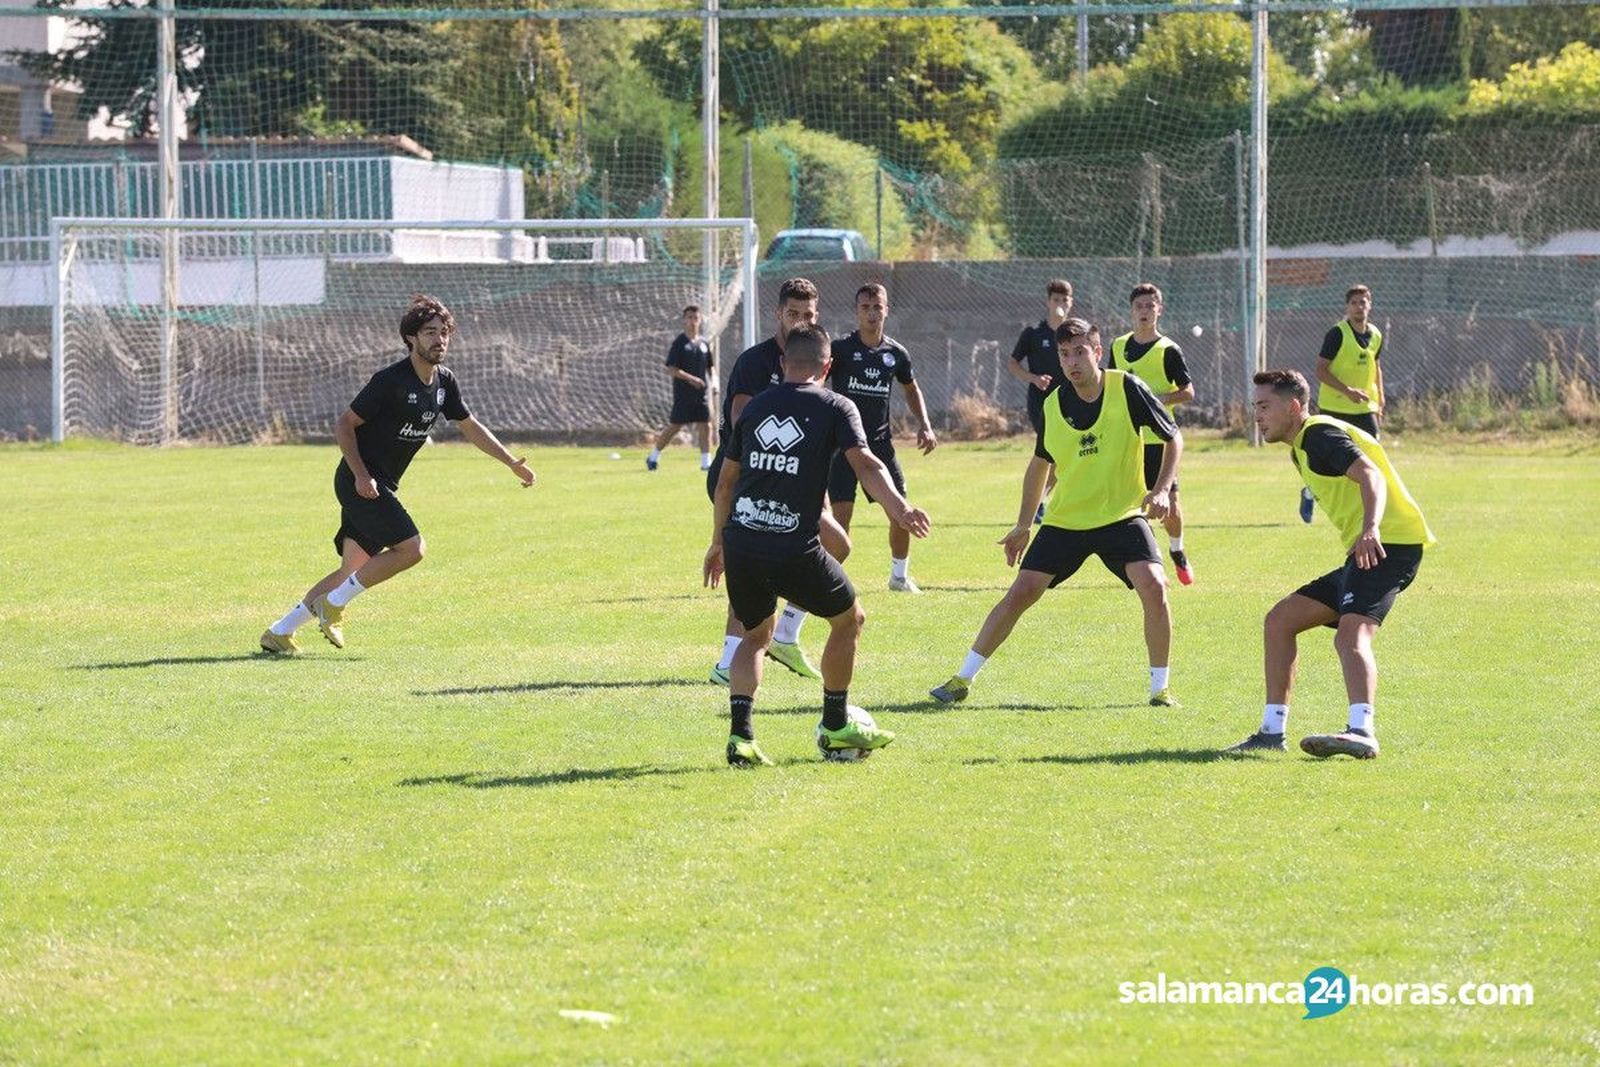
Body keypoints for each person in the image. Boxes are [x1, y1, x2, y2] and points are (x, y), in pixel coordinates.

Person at [705, 323, 930, 766]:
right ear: (828, 366)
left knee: (753, 637)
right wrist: (899, 509)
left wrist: (717, 544)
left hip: (743, 541)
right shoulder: (836, 405)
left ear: (785, 363)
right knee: (849, 620)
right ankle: (833, 723)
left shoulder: (755, 408)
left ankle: (741, 738)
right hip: (792, 545)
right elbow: (866, 464)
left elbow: (726, 482)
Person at [259, 294, 534, 654]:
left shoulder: (444, 382)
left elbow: (470, 425)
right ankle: (334, 604)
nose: (439, 340)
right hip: (359, 481)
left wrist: (510, 461)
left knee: (351, 570)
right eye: (430, 332)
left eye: (444, 333)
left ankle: (279, 632)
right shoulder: (390, 381)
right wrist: (360, 475)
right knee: (412, 549)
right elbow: (345, 424)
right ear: (411, 338)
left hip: (380, 483)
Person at [930, 318, 1183, 709]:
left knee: (1154, 585)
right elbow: (1040, 465)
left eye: (1081, 351)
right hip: (1067, 520)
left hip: (1121, 515)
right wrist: (1022, 525)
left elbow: (1173, 437)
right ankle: (961, 679)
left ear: (1098, 353)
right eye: (1065, 354)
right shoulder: (1052, 404)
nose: (1072, 361)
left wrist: (1162, 489)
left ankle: (1160, 689)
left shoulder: (1127, 388)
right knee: (1021, 593)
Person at [1228, 369, 1433, 759]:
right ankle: (1272, 732)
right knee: (1280, 621)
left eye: (1264, 406)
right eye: (1255, 406)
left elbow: (1370, 475)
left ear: (1292, 406)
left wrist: (1371, 528)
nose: (1257, 415)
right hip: (1368, 548)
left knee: (1351, 634)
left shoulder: (1318, 434)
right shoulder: (1302, 445)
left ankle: (1362, 729)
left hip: (1388, 543)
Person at [703, 277, 845, 684]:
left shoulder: (814, 358)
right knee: (751, 561)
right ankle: (730, 662)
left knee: (834, 543)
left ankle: (783, 634)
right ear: (778, 314)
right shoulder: (755, 362)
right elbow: (741, 426)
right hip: (745, 478)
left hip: (791, 479)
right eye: (794, 314)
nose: (801, 320)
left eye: (809, 314)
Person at [827, 283, 937, 593]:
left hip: (880, 446)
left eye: (878, 307)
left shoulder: (895, 353)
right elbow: (819, 382)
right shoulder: (841, 350)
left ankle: (899, 577)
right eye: (866, 307)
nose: (872, 313)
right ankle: (830, 580)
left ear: (886, 310)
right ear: (856, 311)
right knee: (840, 517)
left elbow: (911, 388)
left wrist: (925, 424)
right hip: (842, 448)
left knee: (900, 509)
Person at [1107, 283, 1198, 585]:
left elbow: (1188, 392)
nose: (1144, 311)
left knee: (1169, 507)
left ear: (1159, 309)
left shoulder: (1168, 350)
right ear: (1131, 311)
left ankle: (1178, 550)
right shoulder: (1118, 347)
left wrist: (1156, 400)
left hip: (1160, 440)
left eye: (1150, 305)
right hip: (1127, 439)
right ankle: (1145, 562)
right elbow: (1109, 386)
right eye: (1139, 306)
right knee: (1130, 505)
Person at [1301, 284, 1385, 523]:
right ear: (1347, 307)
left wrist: (1380, 397)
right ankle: (1309, 492)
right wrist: (1347, 391)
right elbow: (1320, 370)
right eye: (1354, 303)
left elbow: (1376, 366)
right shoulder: (1336, 334)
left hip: (1364, 406)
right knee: (1328, 460)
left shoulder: (1376, 334)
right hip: (1335, 407)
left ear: (1370, 305)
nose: (1359, 307)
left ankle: (1370, 509)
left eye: (1363, 302)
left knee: (1373, 456)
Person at [1005, 279, 1074, 523]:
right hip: (1042, 402)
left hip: (1071, 400)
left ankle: (1041, 499)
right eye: (1056, 299)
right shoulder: (1034, 333)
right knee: (1051, 452)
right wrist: (1033, 378)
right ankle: (1039, 501)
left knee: (1065, 453)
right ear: (1048, 302)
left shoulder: (1075, 334)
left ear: (1071, 302)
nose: (1060, 304)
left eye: (1065, 300)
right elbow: (1013, 363)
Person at [647, 305, 715, 472]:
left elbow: (710, 367)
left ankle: (706, 463)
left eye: (695, 318)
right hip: (683, 394)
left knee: (706, 425)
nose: (692, 321)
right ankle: (653, 456)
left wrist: (715, 383)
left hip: (702, 395)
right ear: (684, 320)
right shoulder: (679, 343)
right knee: (675, 426)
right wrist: (691, 379)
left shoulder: (704, 343)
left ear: (700, 321)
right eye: (689, 318)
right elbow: (671, 369)